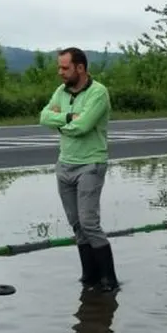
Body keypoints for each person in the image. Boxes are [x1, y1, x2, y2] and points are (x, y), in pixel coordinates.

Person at [39, 46, 117, 293]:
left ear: (80, 68)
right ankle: (89, 278)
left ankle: (109, 280)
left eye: (65, 68)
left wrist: (62, 120)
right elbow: (43, 117)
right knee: (76, 225)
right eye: (59, 67)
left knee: (89, 222)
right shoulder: (61, 91)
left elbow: (83, 127)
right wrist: (68, 118)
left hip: (90, 164)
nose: (60, 72)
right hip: (65, 165)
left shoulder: (98, 92)